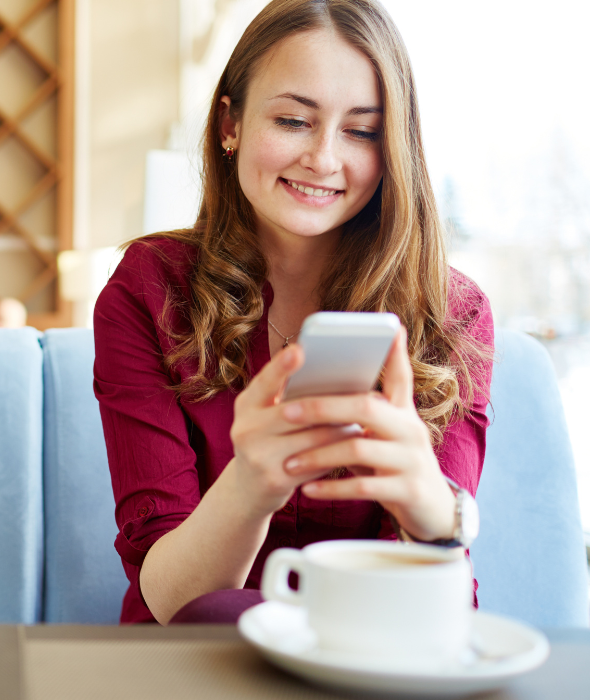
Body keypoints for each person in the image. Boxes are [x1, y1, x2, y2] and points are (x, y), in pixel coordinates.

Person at [93, 0, 493, 626]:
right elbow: (169, 599)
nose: (324, 159)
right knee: (226, 612)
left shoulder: (451, 313)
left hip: (370, 657)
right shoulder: (150, 289)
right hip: (196, 663)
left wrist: (435, 516)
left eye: (361, 131)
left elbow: (442, 608)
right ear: (230, 122)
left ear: (394, 147)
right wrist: (252, 482)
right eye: (292, 120)